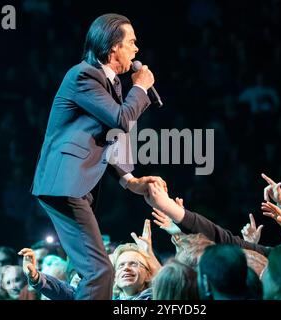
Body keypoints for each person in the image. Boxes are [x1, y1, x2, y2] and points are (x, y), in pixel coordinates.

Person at [30, 14, 166, 300]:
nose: (136, 49)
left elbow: (110, 138)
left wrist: (130, 180)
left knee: (94, 272)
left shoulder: (111, 83)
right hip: (64, 183)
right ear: (113, 47)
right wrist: (141, 87)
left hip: (73, 186)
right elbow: (120, 120)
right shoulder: (83, 75)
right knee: (99, 271)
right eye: (131, 42)